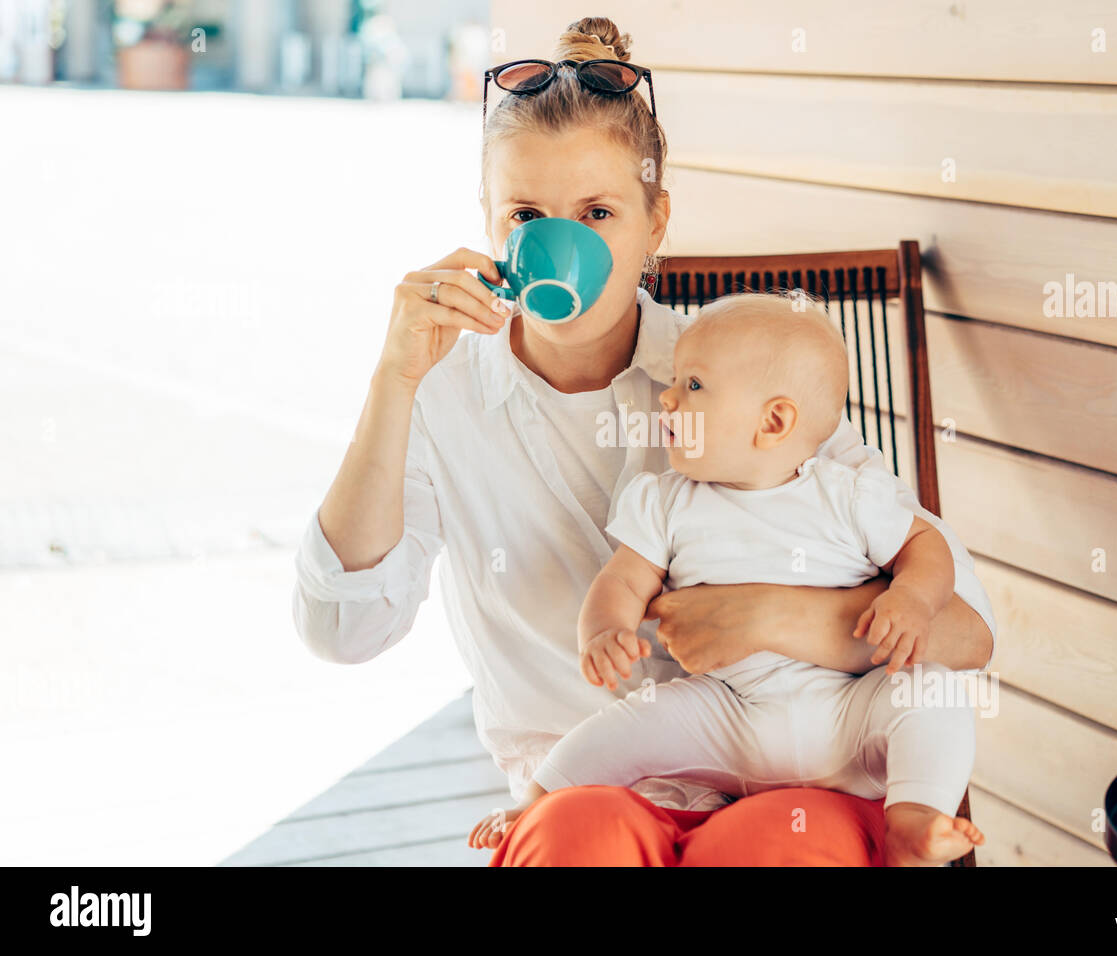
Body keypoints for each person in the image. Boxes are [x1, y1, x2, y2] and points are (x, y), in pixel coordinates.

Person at [292, 16, 997, 866]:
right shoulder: (443, 393)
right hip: (585, 779)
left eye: (599, 211)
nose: (563, 242)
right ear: (490, 225)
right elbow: (343, 630)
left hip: (795, 777)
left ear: (655, 221)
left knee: (776, 848)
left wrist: (774, 615)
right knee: (580, 842)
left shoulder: (737, 379)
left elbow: (964, 635)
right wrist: (393, 381)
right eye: (526, 213)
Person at [466, 293, 986, 865]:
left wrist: (912, 595)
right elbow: (622, 581)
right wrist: (605, 631)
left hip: (848, 711)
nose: (666, 395)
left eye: (692, 385)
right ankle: (536, 801)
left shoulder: (847, 494)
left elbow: (923, 544)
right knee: (633, 720)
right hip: (731, 711)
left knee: (931, 695)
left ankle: (913, 823)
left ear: (773, 421)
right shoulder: (668, 502)